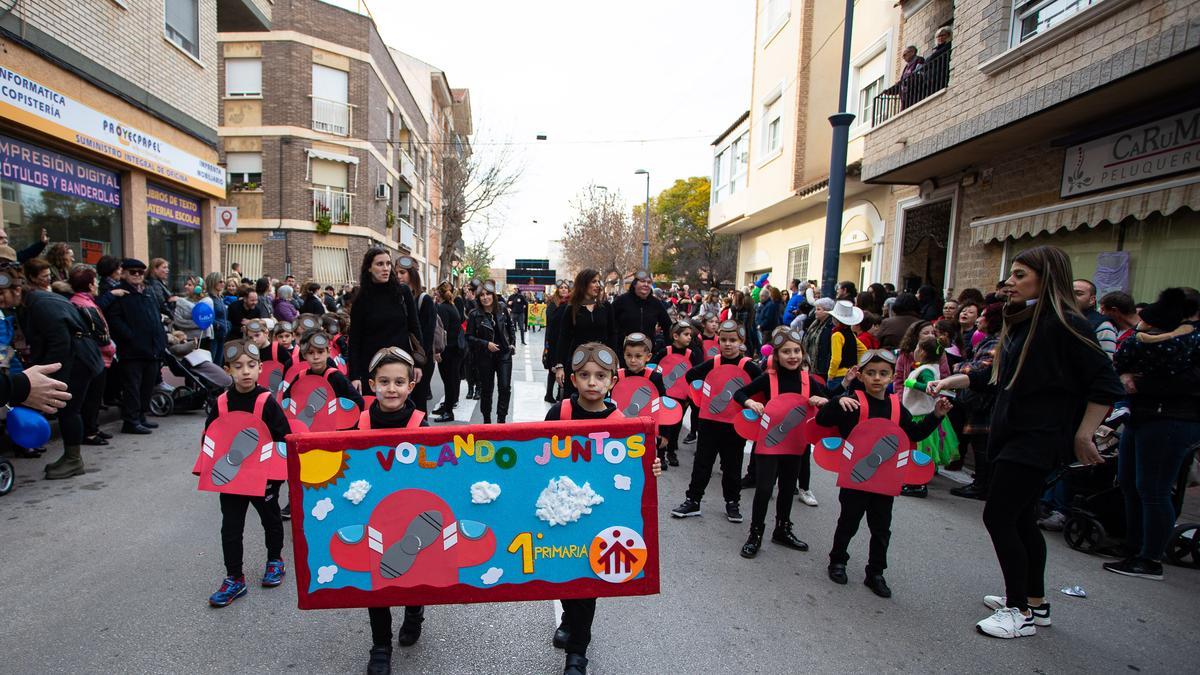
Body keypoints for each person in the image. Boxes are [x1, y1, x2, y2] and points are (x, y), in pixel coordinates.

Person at [928, 245, 1122, 639]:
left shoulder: (1065, 323)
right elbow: (997, 374)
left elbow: (1106, 384)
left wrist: (1084, 434)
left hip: (1037, 438)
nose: (1009, 283)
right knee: (1019, 519)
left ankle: (1019, 612)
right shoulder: (1026, 320)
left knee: (998, 516)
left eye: (1019, 275)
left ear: (1045, 277)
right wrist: (954, 380)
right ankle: (1034, 601)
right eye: (1011, 275)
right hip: (1013, 432)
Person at [545, 342, 661, 675]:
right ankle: (569, 617)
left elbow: (633, 463)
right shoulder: (559, 412)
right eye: (584, 375)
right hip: (562, 509)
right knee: (565, 573)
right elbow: (537, 453)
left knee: (588, 580)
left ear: (612, 382)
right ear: (572, 379)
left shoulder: (620, 419)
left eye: (600, 376)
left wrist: (649, 467)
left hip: (599, 512)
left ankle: (577, 651)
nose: (592, 382)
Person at [819, 350, 952, 598]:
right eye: (871, 373)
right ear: (861, 375)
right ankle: (837, 562)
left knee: (881, 529)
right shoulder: (852, 402)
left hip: (884, 480)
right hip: (855, 480)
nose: (877, 378)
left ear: (892, 376)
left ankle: (876, 572)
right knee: (848, 522)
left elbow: (914, 434)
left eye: (883, 373)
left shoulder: (896, 407)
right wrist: (837, 400)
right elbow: (822, 420)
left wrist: (936, 416)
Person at [1107, 288, 1200, 580]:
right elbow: (1123, 359)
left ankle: (1150, 558)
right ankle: (1133, 547)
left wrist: (1140, 383)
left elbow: (1188, 383)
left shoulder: (1192, 341)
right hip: (1142, 415)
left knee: (1154, 488)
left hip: (1172, 420)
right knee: (1130, 482)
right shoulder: (1152, 334)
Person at [356, 347, 430, 675]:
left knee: (413, 571)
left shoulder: (420, 423)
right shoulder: (359, 423)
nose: (391, 388)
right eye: (384, 381)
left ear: (410, 385)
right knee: (378, 579)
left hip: (412, 514)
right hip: (374, 515)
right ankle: (380, 645)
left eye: (399, 382)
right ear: (372, 384)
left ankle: (414, 612)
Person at [204, 340, 291, 608]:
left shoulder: (266, 402)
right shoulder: (221, 402)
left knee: (271, 518)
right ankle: (234, 578)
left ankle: (275, 560)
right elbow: (210, 436)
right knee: (230, 527)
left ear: (260, 368)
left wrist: (275, 477)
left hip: (263, 476)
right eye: (238, 367)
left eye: (251, 366)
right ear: (227, 370)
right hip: (232, 478)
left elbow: (283, 438)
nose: (245, 372)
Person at [735, 327, 832, 557]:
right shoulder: (769, 378)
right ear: (776, 356)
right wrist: (750, 403)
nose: (792, 356)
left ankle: (782, 529)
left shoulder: (808, 381)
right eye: (786, 352)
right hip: (768, 444)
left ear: (803, 354)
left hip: (796, 444)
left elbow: (834, 399)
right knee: (765, 488)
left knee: (788, 489)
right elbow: (740, 393)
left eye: (796, 351)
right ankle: (755, 533)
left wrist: (822, 399)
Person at [16, 266, 104, 479]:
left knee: (69, 410)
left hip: (77, 360)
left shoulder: (39, 306)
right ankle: (72, 458)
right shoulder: (46, 300)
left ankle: (73, 459)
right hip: (83, 356)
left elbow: (59, 343)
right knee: (70, 410)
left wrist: (47, 376)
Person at [671, 320, 761, 523]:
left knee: (732, 465)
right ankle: (693, 500)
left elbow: (764, 386)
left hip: (735, 424)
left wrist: (750, 403)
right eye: (724, 340)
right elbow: (691, 376)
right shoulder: (714, 362)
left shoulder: (748, 366)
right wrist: (703, 397)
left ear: (741, 342)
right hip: (709, 421)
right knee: (702, 463)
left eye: (733, 340)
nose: (728, 344)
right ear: (718, 340)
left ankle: (732, 503)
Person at [348, 248, 423, 397]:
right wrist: (355, 376)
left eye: (388, 264)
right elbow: (355, 339)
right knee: (376, 412)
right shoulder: (361, 298)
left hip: (402, 363)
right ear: (369, 268)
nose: (386, 268)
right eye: (380, 264)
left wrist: (418, 363)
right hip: (372, 367)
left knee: (403, 410)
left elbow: (415, 328)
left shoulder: (403, 292)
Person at [948, 302, 1003, 500]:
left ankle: (982, 485)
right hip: (978, 401)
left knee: (982, 445)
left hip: (984, 402)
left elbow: (979, 369)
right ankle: (981, 482)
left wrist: (958, 367)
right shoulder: (989, 341)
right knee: (979, 443)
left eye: (982, 316)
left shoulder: (995, 343)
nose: (979, 319)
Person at [105, 259, 167, 435]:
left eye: (140, 272)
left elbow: (155, 317)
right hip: (132, 350)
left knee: (146, 386)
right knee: (132, 387)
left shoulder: (147, 292)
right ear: (124, 273)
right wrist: (130, 336)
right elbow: (113, 319)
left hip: (151, 348)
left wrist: (161, 340)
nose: (138, 275)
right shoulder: (120, 293)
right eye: (133, 272)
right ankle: (130, 421)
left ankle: (140, 416)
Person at [67, 268, 116, 448]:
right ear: (89, 284)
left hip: (93, 356)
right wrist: (111, 348)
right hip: (94, 356)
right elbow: (100, 335)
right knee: (91, 398)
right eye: (94, 281)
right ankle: (89, 432)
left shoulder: (82, 302)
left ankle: (92, 427)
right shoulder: (84, 305)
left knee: (94, 398)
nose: (96, 285)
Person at [554, 269, 617, 395]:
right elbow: (563, 338)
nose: (598, 285)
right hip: (578, 361)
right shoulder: (572, 308)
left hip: (602, 361)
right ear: (584, 284)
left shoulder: (606, 307)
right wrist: (559, 366)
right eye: (594, 282)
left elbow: (613, 334)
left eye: (598, 282)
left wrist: (615, 361)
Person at [652, 321, 701, 467]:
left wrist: (690, 396)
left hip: (682, 397)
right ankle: (660, 455)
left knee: (676, 427)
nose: (689, 338)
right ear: (675, 336)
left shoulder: (692, 355)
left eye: (690, 335)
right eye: (686, 335)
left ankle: (671, 452)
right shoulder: (664, 351)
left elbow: (696, 376)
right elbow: (652, 368)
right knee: (662, 426)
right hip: (664, 396)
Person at [466, 281, 515, 424]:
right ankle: (487, 420)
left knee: (505, 387)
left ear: (493, 295)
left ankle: (501, 419)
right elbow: (468, 337)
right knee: (487, 389)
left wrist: (512, 344)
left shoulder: (502, 309)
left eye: (488, 294)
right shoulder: (475, 314)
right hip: (485, 357)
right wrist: (486, 344)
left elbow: (510, 326)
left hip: (504, 354)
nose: (485, 297)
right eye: (481, 295)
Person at [395, 257, 436, 414]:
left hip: (420, 359)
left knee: (419, 404)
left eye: (403, 272)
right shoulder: (398, 298)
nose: (399, 276)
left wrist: (419, 363)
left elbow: (428, 334)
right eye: (396, 272)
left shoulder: (424, 300)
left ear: (412, 274)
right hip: (401, 358)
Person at [612, 270, 672, 353]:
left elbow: (668, 326)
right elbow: (610, 325)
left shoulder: (656, 303)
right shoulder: (621, 301)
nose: (646, 285)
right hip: (623, 352)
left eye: (649, 282)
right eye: (643, 281)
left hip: (648, 353)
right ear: (634, 283)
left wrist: (668, 348)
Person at [433, 282, 464, 422]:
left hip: (448, 350)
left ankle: (448, 411)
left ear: (439, 294)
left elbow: (441, 331)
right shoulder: (451, 306)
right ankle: (447, 406)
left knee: (449, 381)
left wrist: (437, 350)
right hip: (455, 349)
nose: (434, 294)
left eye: (436, 292)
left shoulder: (442, 308)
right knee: (450, 380)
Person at [827, 301, 866, 388]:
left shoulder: (837, 335)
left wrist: (831, 375)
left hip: (837, 375)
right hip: (850, 373)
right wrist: (857, 366)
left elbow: (836, 359)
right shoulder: (851, 333)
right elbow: (863, 350)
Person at [1074, 279, 1118, 358]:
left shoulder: (1103, 325)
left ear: (1092, 300)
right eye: (1068, 293)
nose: (1071, 297)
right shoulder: (1060, 319)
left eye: (1078, 294)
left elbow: (1107, 361)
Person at [544, 282, 570, 403]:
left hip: (564, 339)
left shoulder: (569, 303)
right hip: (553, 340)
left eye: (566, 288)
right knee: (552, 368)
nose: (564, 290)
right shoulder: (553, 304)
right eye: (561, 288)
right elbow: (550, 324)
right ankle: (549, 394)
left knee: (562, 367)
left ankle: (560, 394)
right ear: (557, 290)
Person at [802, 298, 835, 377]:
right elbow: (805, 325)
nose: (815, 312)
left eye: (818, 309)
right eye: (815, 309)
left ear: (827, 311)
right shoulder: (815, 322)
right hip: (810, 363)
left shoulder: (831, 326)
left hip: (821, 367)